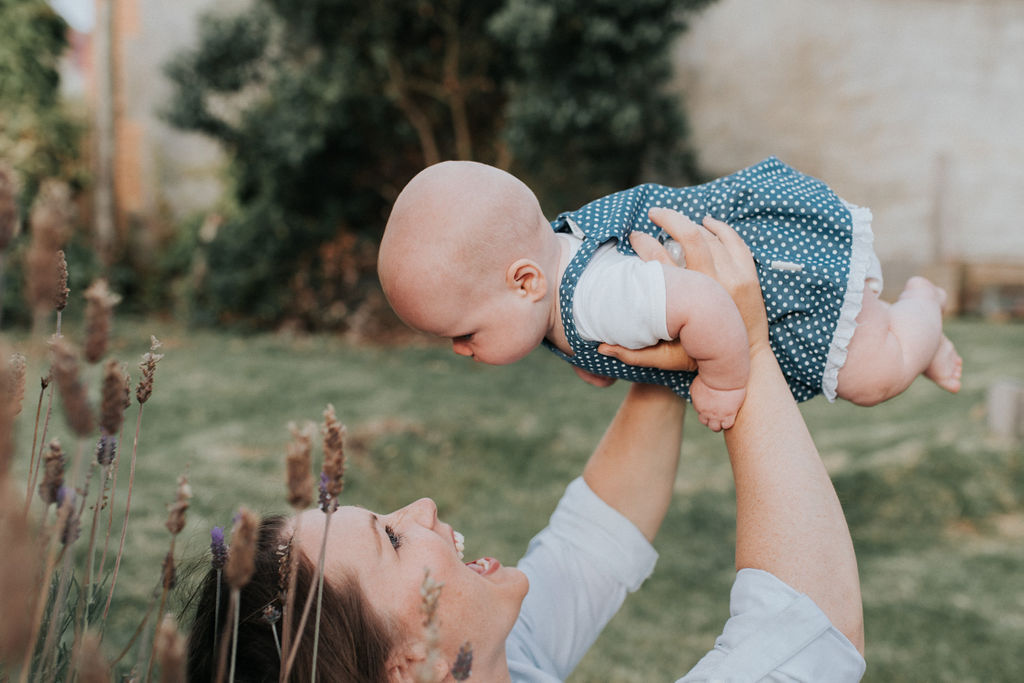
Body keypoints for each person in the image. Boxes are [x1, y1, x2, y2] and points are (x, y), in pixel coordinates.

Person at [187, 212, 866, 681]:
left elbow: (593, 541)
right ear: (410, 664)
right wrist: (744, 344)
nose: (420, 506)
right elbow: (806, 636)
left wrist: (665, 342)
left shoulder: (486, 658)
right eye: (393, 539)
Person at [377, 157, 962, 431]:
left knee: (874, 374)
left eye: (464, 333)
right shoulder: (559, 269)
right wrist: (595, 362)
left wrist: (723, 380)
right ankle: (905, 322)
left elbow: (702, 305)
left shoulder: (594, 296)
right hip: (780, 259)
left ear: (525, 281)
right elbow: (606, 327)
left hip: (787, 294)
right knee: (871, 336)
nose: (457, 349)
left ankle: (922, 307)